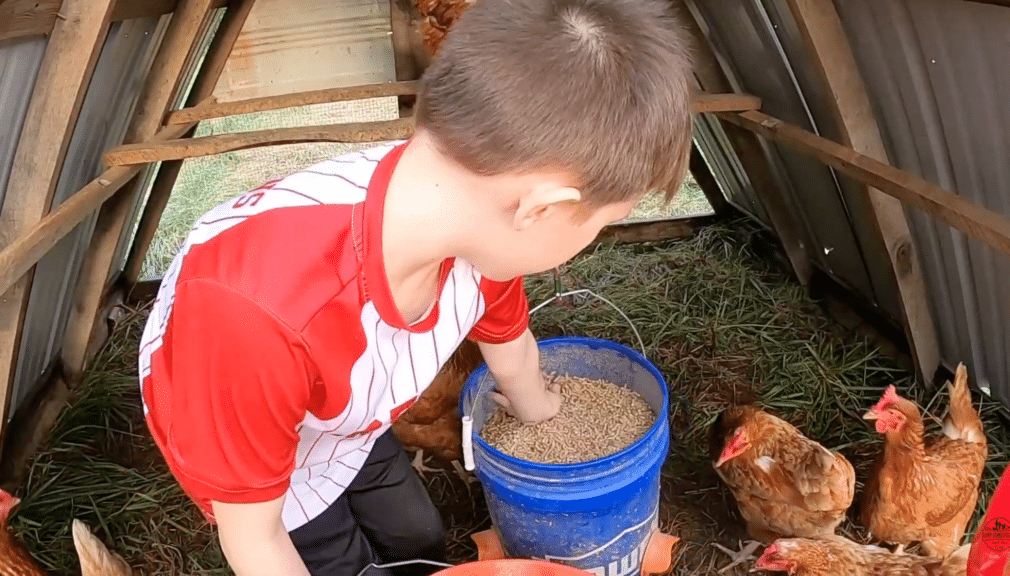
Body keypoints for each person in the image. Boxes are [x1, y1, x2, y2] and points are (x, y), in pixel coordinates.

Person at [137, 0, 694, 574]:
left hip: (347, 419)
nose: (591, 242)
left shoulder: (469, 219)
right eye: (600, 226)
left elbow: (510, 343)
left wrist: (539, 408)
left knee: (416, 533)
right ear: (542, 209)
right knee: (330, 549)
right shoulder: (261, 316)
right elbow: (255, 540)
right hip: (260, 443)